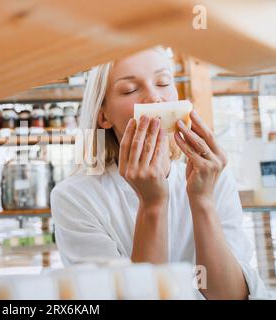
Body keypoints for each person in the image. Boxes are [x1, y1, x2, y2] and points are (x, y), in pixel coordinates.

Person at [50, 47, 268, 300]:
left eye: (163, 82)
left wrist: (203, 201)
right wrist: (152, 205)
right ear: (103, 116)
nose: (155, 98)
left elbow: (229, 297)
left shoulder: (212, 177)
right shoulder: (74, 197)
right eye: (130, 90)